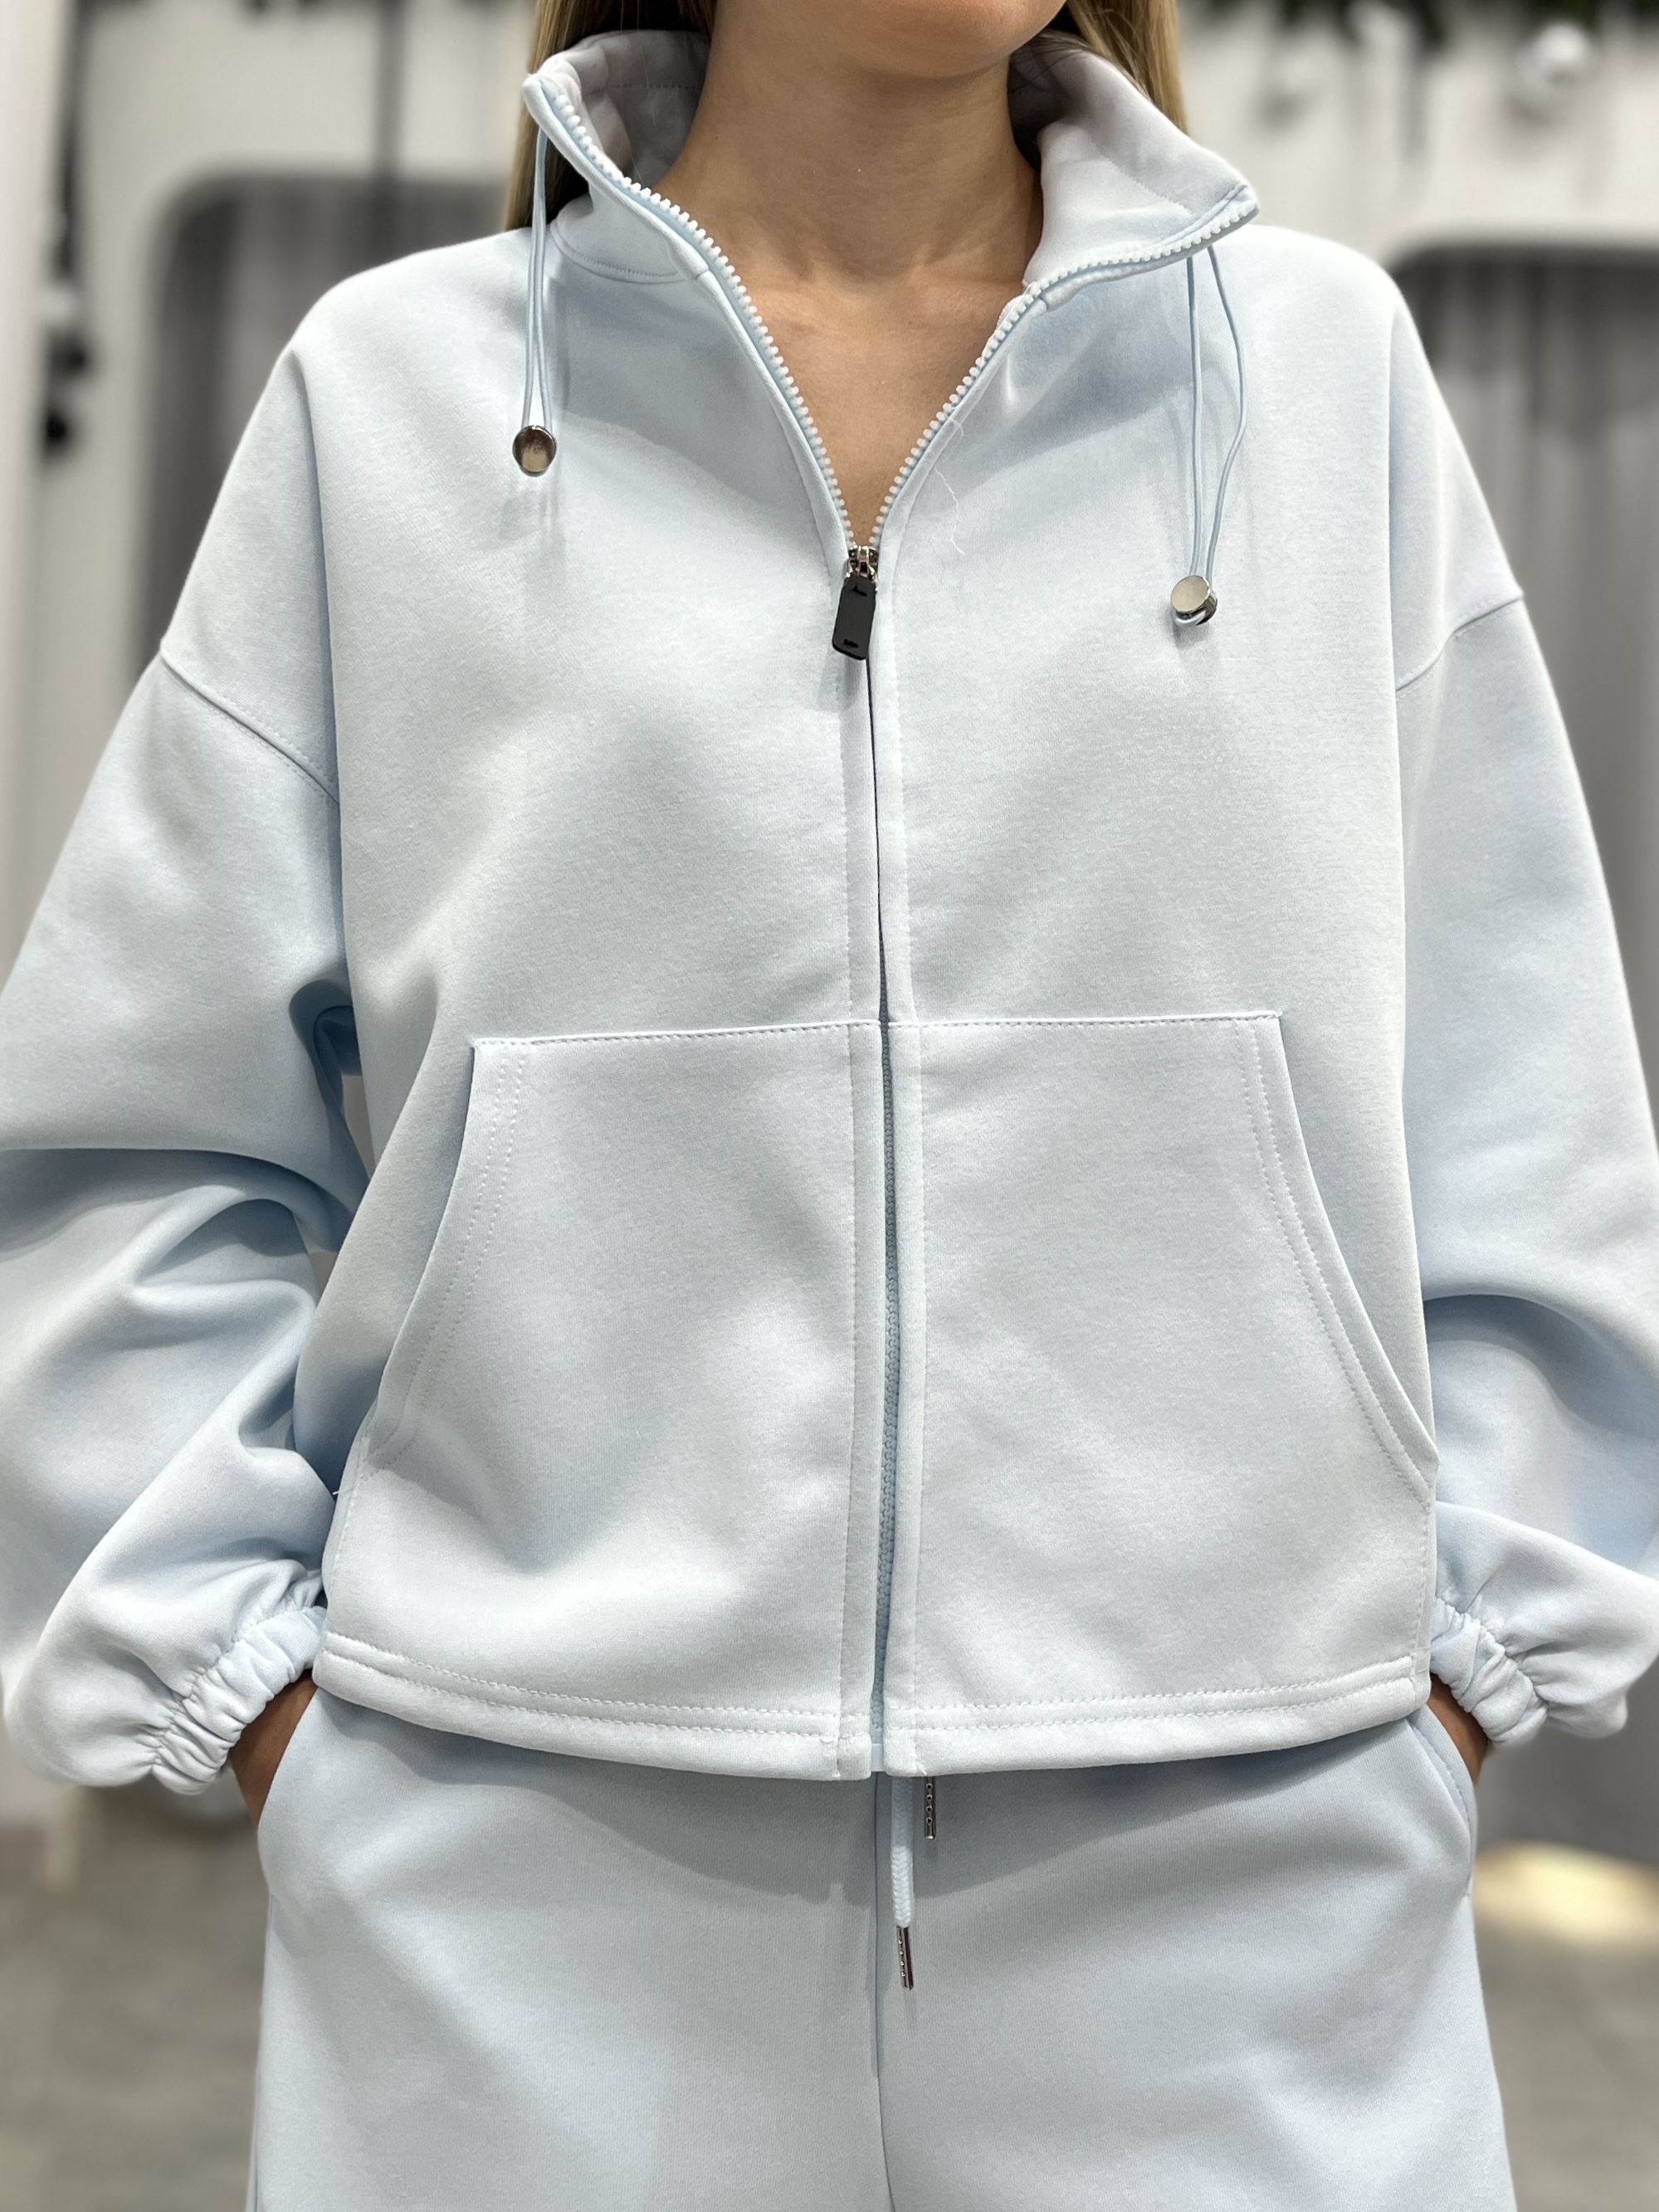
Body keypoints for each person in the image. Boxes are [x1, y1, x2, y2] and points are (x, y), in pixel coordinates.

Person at [3, 0, 1658, 2204]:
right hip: (524, 1895)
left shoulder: (1321, 378)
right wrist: (263, 1704)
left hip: (1253, 1885)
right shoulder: (392, 400)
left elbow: (1525, 1099)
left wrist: (1462, 1677)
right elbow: (131, 1137)